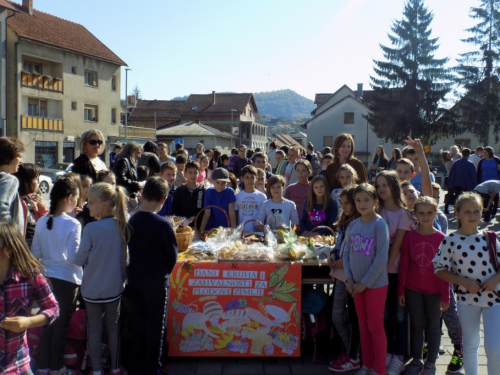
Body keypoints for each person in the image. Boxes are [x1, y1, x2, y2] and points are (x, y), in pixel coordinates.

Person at [434, 192, 500, 375]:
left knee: (494, 347)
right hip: (466, 299)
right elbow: (439, 269)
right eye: (468, 212)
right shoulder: (450, 241)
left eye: (477, 211)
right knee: (470, 345)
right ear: (458, 214)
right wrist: (462, 281)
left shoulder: (491, 238)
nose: (473, 216)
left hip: (494, 300)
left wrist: (495, 279)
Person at [75, 183, 131, 375]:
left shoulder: (91, 229)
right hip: (114, 289)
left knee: (94, 330)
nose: (87, 205)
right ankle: (115, 368)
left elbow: (79, 259)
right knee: (113, 329)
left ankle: (97, 370)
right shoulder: (121, 227)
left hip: (91, 290)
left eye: (91, 202)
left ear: (105, 204)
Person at [31, 176, 82, 375]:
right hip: (67, 280)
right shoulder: (73, 224)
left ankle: (43, 367)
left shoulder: (42, 221)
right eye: (76, 198)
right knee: (60, 327)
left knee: (47, 325)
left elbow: (35, 254)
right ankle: (57, 368)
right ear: (69, 197)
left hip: (45, 279)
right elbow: (73, 258)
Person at [127, 177, 178, 375]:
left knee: (138, 324)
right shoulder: (163, 224)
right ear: (163, 200)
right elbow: (172, 257)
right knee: (156, 327)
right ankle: (153, 368)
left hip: (136, 280)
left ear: (143, 194)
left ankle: (137, 366)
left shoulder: (133, 220)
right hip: (157, 282)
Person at [398, 196, 449, 375]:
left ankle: (431, 363)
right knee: (417, 325)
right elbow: (404, 264)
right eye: (421, 213)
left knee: (434, 327)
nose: (425, 217)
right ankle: (417, 360)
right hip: (413, 290)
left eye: (429, 213)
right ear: (415, 215)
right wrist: (401, 290)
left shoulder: (442, 238)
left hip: (435, 292)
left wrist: (445, 296)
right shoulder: (410, 237)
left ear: (436, 214)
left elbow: (444, 270)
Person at [0, 223, 59, 375]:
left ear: (8, 250)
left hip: (17, 365)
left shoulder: (30, 277)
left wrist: (28, 322)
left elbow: (53, 308)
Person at [343, 183, 389, 375]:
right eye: (358, 200)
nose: (362, 204)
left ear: (375, 202)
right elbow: (346, 253)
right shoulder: (353, 225)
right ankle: (366, 365)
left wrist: (364, 283)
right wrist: (349, 280)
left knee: (375, 327)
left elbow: (381, 259)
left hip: (375, 286)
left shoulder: (379, 225)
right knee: (362, 326)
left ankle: (379, 370)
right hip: (355, 286)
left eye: (366, 200)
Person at [375, 171, 413, 375]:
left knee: (399, 316)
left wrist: (383, 270)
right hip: (378, 274)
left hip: (395, 273)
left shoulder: (403, 214)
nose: (381, 189)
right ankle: (387, 353)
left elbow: (397, 245)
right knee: (384, 315)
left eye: (385, 185)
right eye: (378, 185)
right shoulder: (376, 211)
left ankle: (399, 355)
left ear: (394, 187)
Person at [327, 185, 361, 373]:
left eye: (347, 203)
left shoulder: (360, 223)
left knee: (348, 315)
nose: (344, 207)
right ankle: (351, 350)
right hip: (341, 275)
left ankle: (353, 354)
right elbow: (338, 244)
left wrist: (343, 259)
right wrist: (333, 254)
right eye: (342, 204)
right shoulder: (344, 222)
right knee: (338, 315)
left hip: (352, 275)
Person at [13, 163, 48, 247]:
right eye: (36, 179)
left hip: (34, 240)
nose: (38, 182)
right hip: (21, 241)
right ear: (26, 181)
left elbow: (45, 221)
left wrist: (41, 206)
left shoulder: (33, 199)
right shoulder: (15, 199)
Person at [0, 137, 25, 231]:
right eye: (19, 156)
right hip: (6, 243)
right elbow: (1, 208)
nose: (21, 161)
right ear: (8, 157)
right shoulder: (8, 179)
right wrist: (13, 236)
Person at [171, 161, 206, 228]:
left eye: (195, 173)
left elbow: (204, 212)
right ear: (185, 173)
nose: (192, 175)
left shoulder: (202, 190)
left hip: (199, 227)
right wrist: (182, 222)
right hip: (182, 228)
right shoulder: (179, 191)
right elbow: (175, 212)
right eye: (190, 172)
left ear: (199, 174)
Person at [235, 166, 267, 231]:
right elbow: (235, 215)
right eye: (247, 177)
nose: (250, 180)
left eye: (252, 177)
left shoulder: (262, 196)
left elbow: (265, 216)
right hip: (242, 232)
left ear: (256, 178)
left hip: (257, 233)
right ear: (242, 178)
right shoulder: (237, 196)